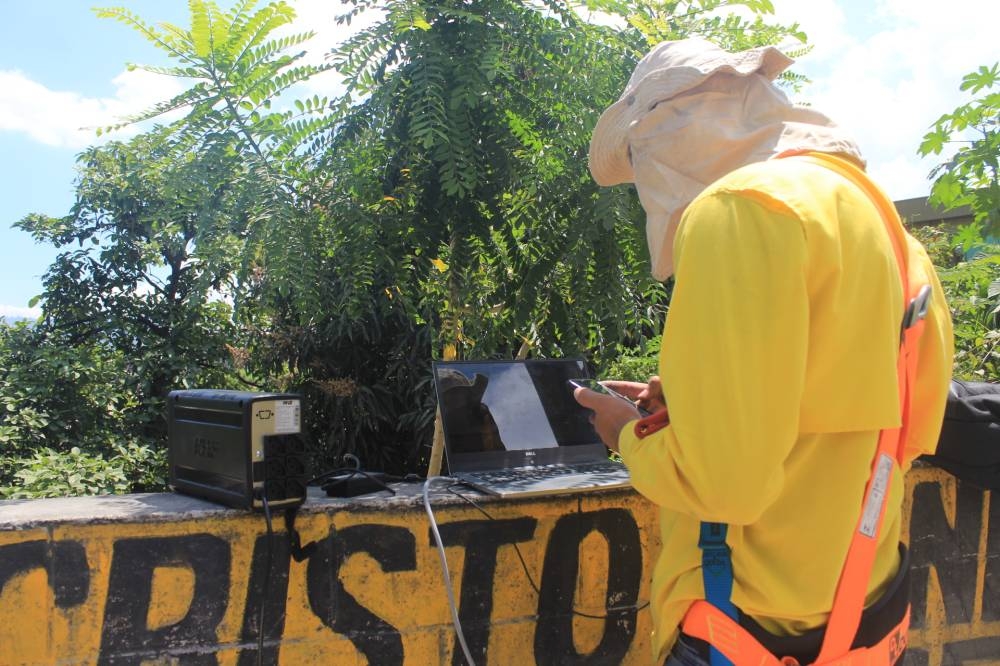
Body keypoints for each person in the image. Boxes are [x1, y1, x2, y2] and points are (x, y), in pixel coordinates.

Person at [573, 38, 954, 666]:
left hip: (746, 622)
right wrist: (691, 402)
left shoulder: (737, 210)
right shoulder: (878, 219)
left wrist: (629, 436)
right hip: (866, 613)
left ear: (666, 134)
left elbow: (725, 485)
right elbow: (910, 424)